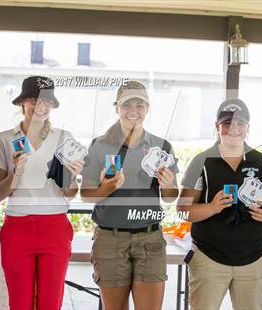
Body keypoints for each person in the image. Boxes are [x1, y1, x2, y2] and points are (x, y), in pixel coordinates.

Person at [80, 81, 179, 310]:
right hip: (110, 240)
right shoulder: (100, 145)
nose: (133, 110)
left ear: (147, 108)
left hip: (150, 240)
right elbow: (85, 193)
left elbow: (171, 197)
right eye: (126, 105)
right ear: (117, 107)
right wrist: (106, 189)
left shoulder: (162, 146)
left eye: (139, 104)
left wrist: (169, 185)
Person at [178, 98, 262, 310]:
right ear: (217, 126)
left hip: (252, 260)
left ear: (248, 127)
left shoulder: (261, 162)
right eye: (227, 123)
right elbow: (182, 210)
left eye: (240, 123)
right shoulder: (201, 162)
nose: (234, 128)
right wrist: (212, 208)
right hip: (209, 258)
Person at [0, 76, 84, 310]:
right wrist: (17, 173)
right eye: (34, 100)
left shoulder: (64, 138)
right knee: (19, 304)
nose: (40, 107)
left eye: (46, 102)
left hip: (55, 228)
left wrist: (72, 175)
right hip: (17, 228)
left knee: (50, 304)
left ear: (52, 105)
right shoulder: (4, 139)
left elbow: (70, 193)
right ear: (22, 102)